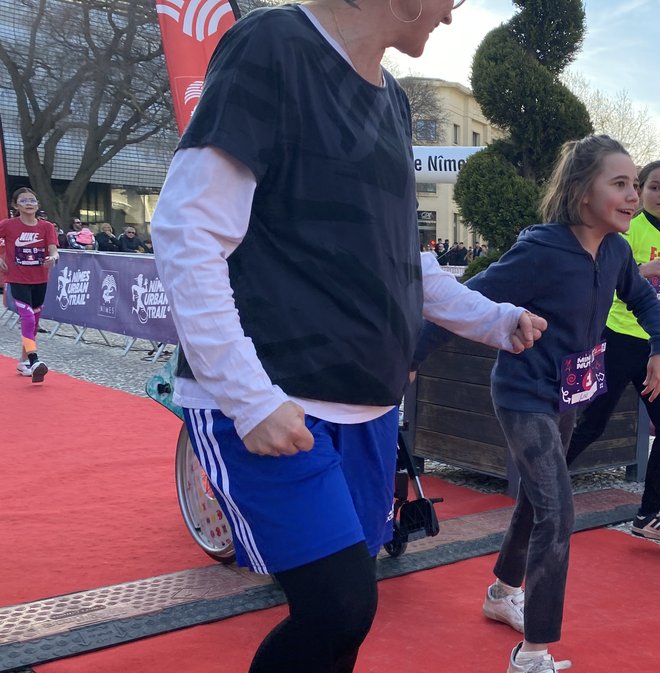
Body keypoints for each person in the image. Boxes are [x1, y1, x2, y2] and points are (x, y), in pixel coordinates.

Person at [149, 2, 492, 672]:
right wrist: (248, 397)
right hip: (275, 399)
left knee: (345, 624)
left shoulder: (394, 100)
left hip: (368, 409)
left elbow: (407, 262)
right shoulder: (273, 43)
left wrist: (498, 321)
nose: (451, 14)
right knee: (339, 605)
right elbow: (187, 232)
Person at [412, 135, 660, 673]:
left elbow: (644, 299)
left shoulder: (617, 252)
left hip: (568, 394)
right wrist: (408, 357)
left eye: (634, 185)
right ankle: (532, 653)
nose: (633, 197)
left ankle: (502, 592)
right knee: (559, 510)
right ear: (583, 194)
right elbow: (472, 298)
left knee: (538, 502)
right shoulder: (542, 249)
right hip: (522, 394)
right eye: (620, 184)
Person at [564, 159, 660, 544]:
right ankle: (541, 488)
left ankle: (649, 514)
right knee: (591, 424)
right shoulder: (627, 230)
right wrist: (643, 269)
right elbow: (609, 279)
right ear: (641, 192)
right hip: (615, 338)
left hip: (652, 348)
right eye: (654, 187)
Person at [0, 188, 57, 383]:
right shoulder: (7, 225)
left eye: (32, 200)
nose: (29, 203)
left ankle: (23, 361)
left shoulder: (47, 227)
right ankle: (34, 360)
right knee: (27, 318)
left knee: (33, 323)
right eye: (23, 201)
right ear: (16, 206)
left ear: (37, 204)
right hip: (17, 278)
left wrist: (53, 257)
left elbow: (53, 249)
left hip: (40, 279)